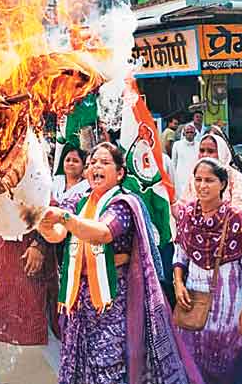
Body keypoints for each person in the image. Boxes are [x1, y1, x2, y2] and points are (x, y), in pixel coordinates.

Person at [38, 142, 203, 384]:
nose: (96, 166)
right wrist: (45, 227)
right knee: (78, 360)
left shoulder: (124, 204)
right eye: (93, 162)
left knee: (109, 361)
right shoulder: (77, 203)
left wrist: (64, 218)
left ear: (120, 173)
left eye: (105, 163)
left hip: (113, 297)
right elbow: (59, 234)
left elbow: (103, 232)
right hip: (79, 298)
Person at [173, 158, 242, 384]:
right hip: (194, 304)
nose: (202, 185)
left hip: (230, 309)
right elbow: (180, 255)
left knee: (233, 367)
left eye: (209, 180)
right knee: (194, 363)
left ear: (222, 184)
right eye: (198, 179)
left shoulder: (236, 218)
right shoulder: (188, 215)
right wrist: (179, 284)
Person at [0, 229, 62, 384]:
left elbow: (55, 210)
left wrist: (40, 244)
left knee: (43, 328)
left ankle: (71, 376)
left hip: (30, 256)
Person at [179, 131, 242, 239]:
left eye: (211, 151)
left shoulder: (233, 177)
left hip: (229, 238)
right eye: (202, 150)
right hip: (198, 239)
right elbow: (184, 207)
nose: (205, 155)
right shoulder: (193, 178)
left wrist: (219, 221)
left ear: (222, 152)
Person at [171, 123, 199, 198]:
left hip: (194, 176)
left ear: (195, 134)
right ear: (183, 134)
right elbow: (173, 163)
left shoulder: (199, 145)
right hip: (180, 178)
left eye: (191, 132)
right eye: (187, 132)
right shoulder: (177, 145)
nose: (189, 134)